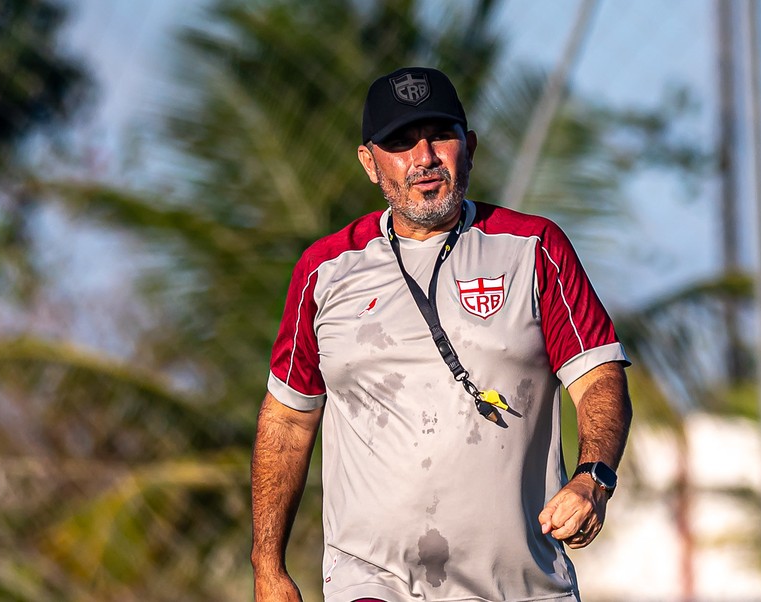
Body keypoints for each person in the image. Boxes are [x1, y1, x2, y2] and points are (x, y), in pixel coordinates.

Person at [251, 66, 632, 602]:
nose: (424, 157)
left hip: (524, 586)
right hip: (371, 581)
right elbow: (289, 419)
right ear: (369, 163)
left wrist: (593, 477)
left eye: (440, 136)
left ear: (468, 147)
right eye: (400, 143)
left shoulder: (534, 248)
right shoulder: (325, 270)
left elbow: (599, 377)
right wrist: (267, 564)